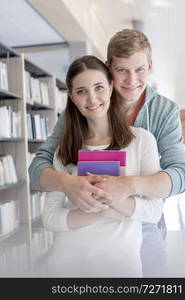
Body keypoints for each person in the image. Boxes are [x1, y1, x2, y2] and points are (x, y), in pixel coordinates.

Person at [29, 29, 185, 276]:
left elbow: (179, 176)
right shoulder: (82, 113)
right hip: (80, 237)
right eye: (122, 70)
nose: (131, 80)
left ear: (150, 66)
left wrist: (127, 186)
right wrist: (67, 183)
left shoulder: (161, 115)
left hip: (141, 228)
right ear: (108, 68)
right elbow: (38, 169)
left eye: (140, 69)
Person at [42, 55, 163, 277]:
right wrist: (102, 213)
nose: (92, 98)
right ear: (72, 97)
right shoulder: (65, 148)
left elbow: (154, 211)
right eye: (81, 91)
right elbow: (50, 218)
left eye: (98, 87)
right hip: (68, 267)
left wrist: (119, 194)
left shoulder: (142, 141)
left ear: (110, 87)